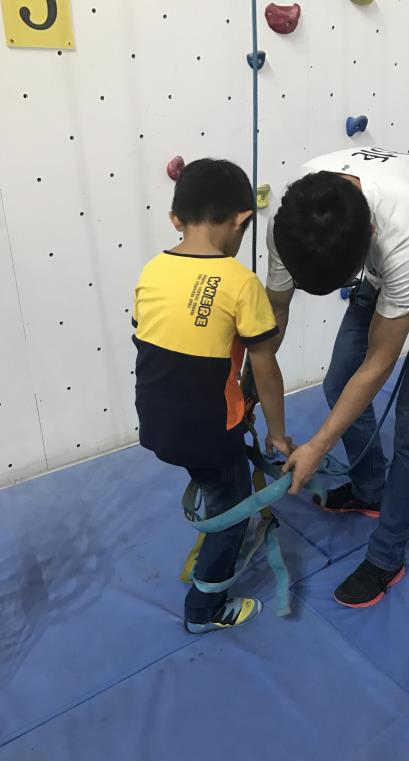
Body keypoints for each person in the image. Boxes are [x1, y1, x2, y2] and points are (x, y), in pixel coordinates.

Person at [266, 146, 409, 609]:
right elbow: (276, 309)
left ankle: (386, 556)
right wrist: (251, 380)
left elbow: (380, 360)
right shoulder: (293, 219)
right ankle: (370, 489)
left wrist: (319, 445)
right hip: (385, 266)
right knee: (337, 382)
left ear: (368, 235)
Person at [132, 159, 293, 634]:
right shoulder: (241, 282)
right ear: (243, 219)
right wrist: (278, 436)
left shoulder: (152, 270)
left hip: (156, 422)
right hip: (208, 432)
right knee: (233, 507)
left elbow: (160, 346)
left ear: (174, 219)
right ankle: (206, 608)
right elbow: (265, 367)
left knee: (212, 480)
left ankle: (211, 511)